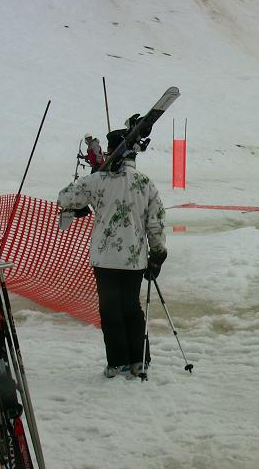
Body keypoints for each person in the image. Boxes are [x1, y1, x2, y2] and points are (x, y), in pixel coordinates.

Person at [58, 128, 167, 378]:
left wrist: (87, 196)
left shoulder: (97, 180)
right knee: (132, 307)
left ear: (110, 152)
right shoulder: (144, 182)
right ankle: (139, 361)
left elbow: (65, 198)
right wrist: (157, 254)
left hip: (104, 258)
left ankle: (117, 362)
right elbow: (156, 221)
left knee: (110, 309)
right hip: (134, 258)